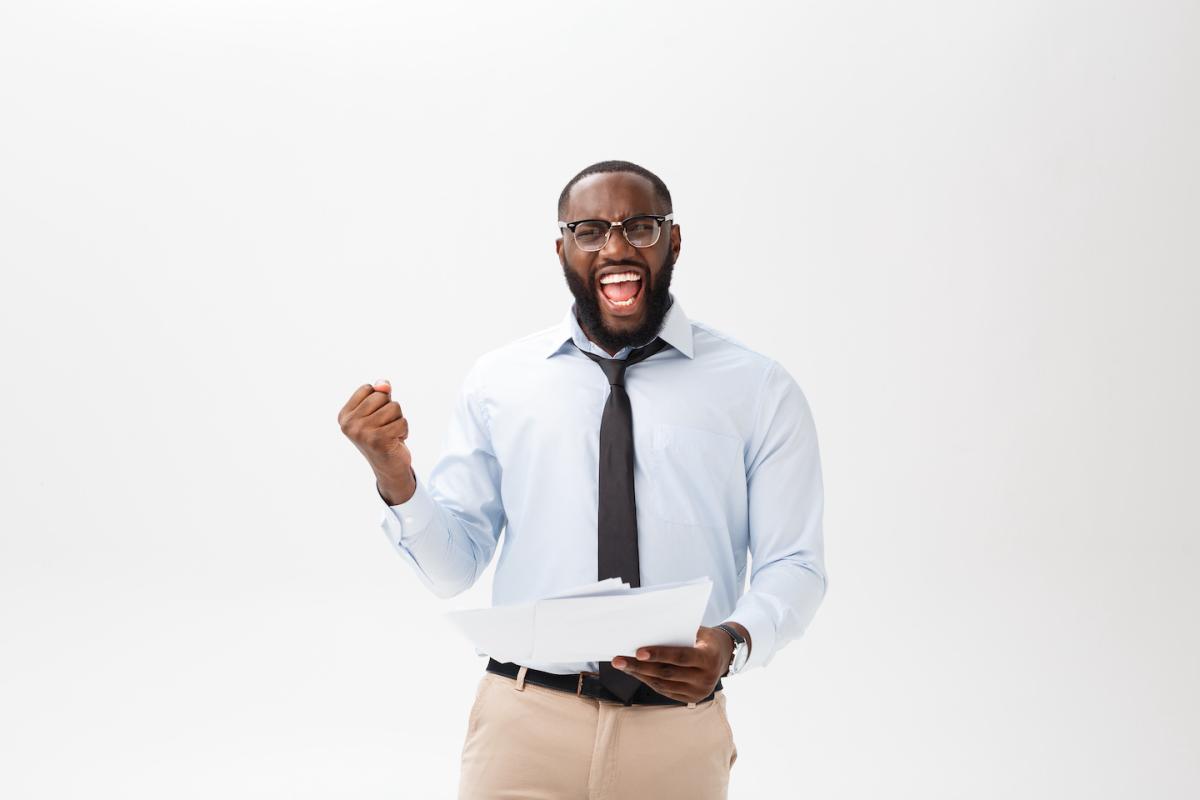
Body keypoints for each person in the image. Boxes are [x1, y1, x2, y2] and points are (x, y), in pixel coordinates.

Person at [338, 160, 828, 799]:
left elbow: (795, 563)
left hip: (676, 734)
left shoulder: (757, 388)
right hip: (524, 727)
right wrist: (394, 475)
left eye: (640, 227)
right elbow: (453, 570)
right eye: (590, 231)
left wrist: (732, 643)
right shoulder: (500, 382)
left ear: (674, 241)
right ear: (563, 250)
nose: (616, 248)